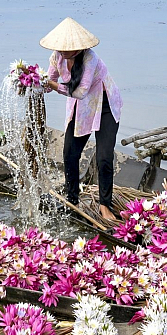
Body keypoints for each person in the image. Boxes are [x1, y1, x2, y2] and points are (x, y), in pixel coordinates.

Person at [40, 17, 123, 221]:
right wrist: (34, 80)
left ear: (77, 48)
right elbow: (49, 82)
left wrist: (51, 85)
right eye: (60, 47)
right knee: (69, 153)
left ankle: (105, 205)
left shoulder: (89, 58)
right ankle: (72, 199)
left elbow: (80, 92)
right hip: (82, 108)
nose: (62, 51)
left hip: (104, 105)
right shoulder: (57, 57)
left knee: (104, 157)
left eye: (67, 48)